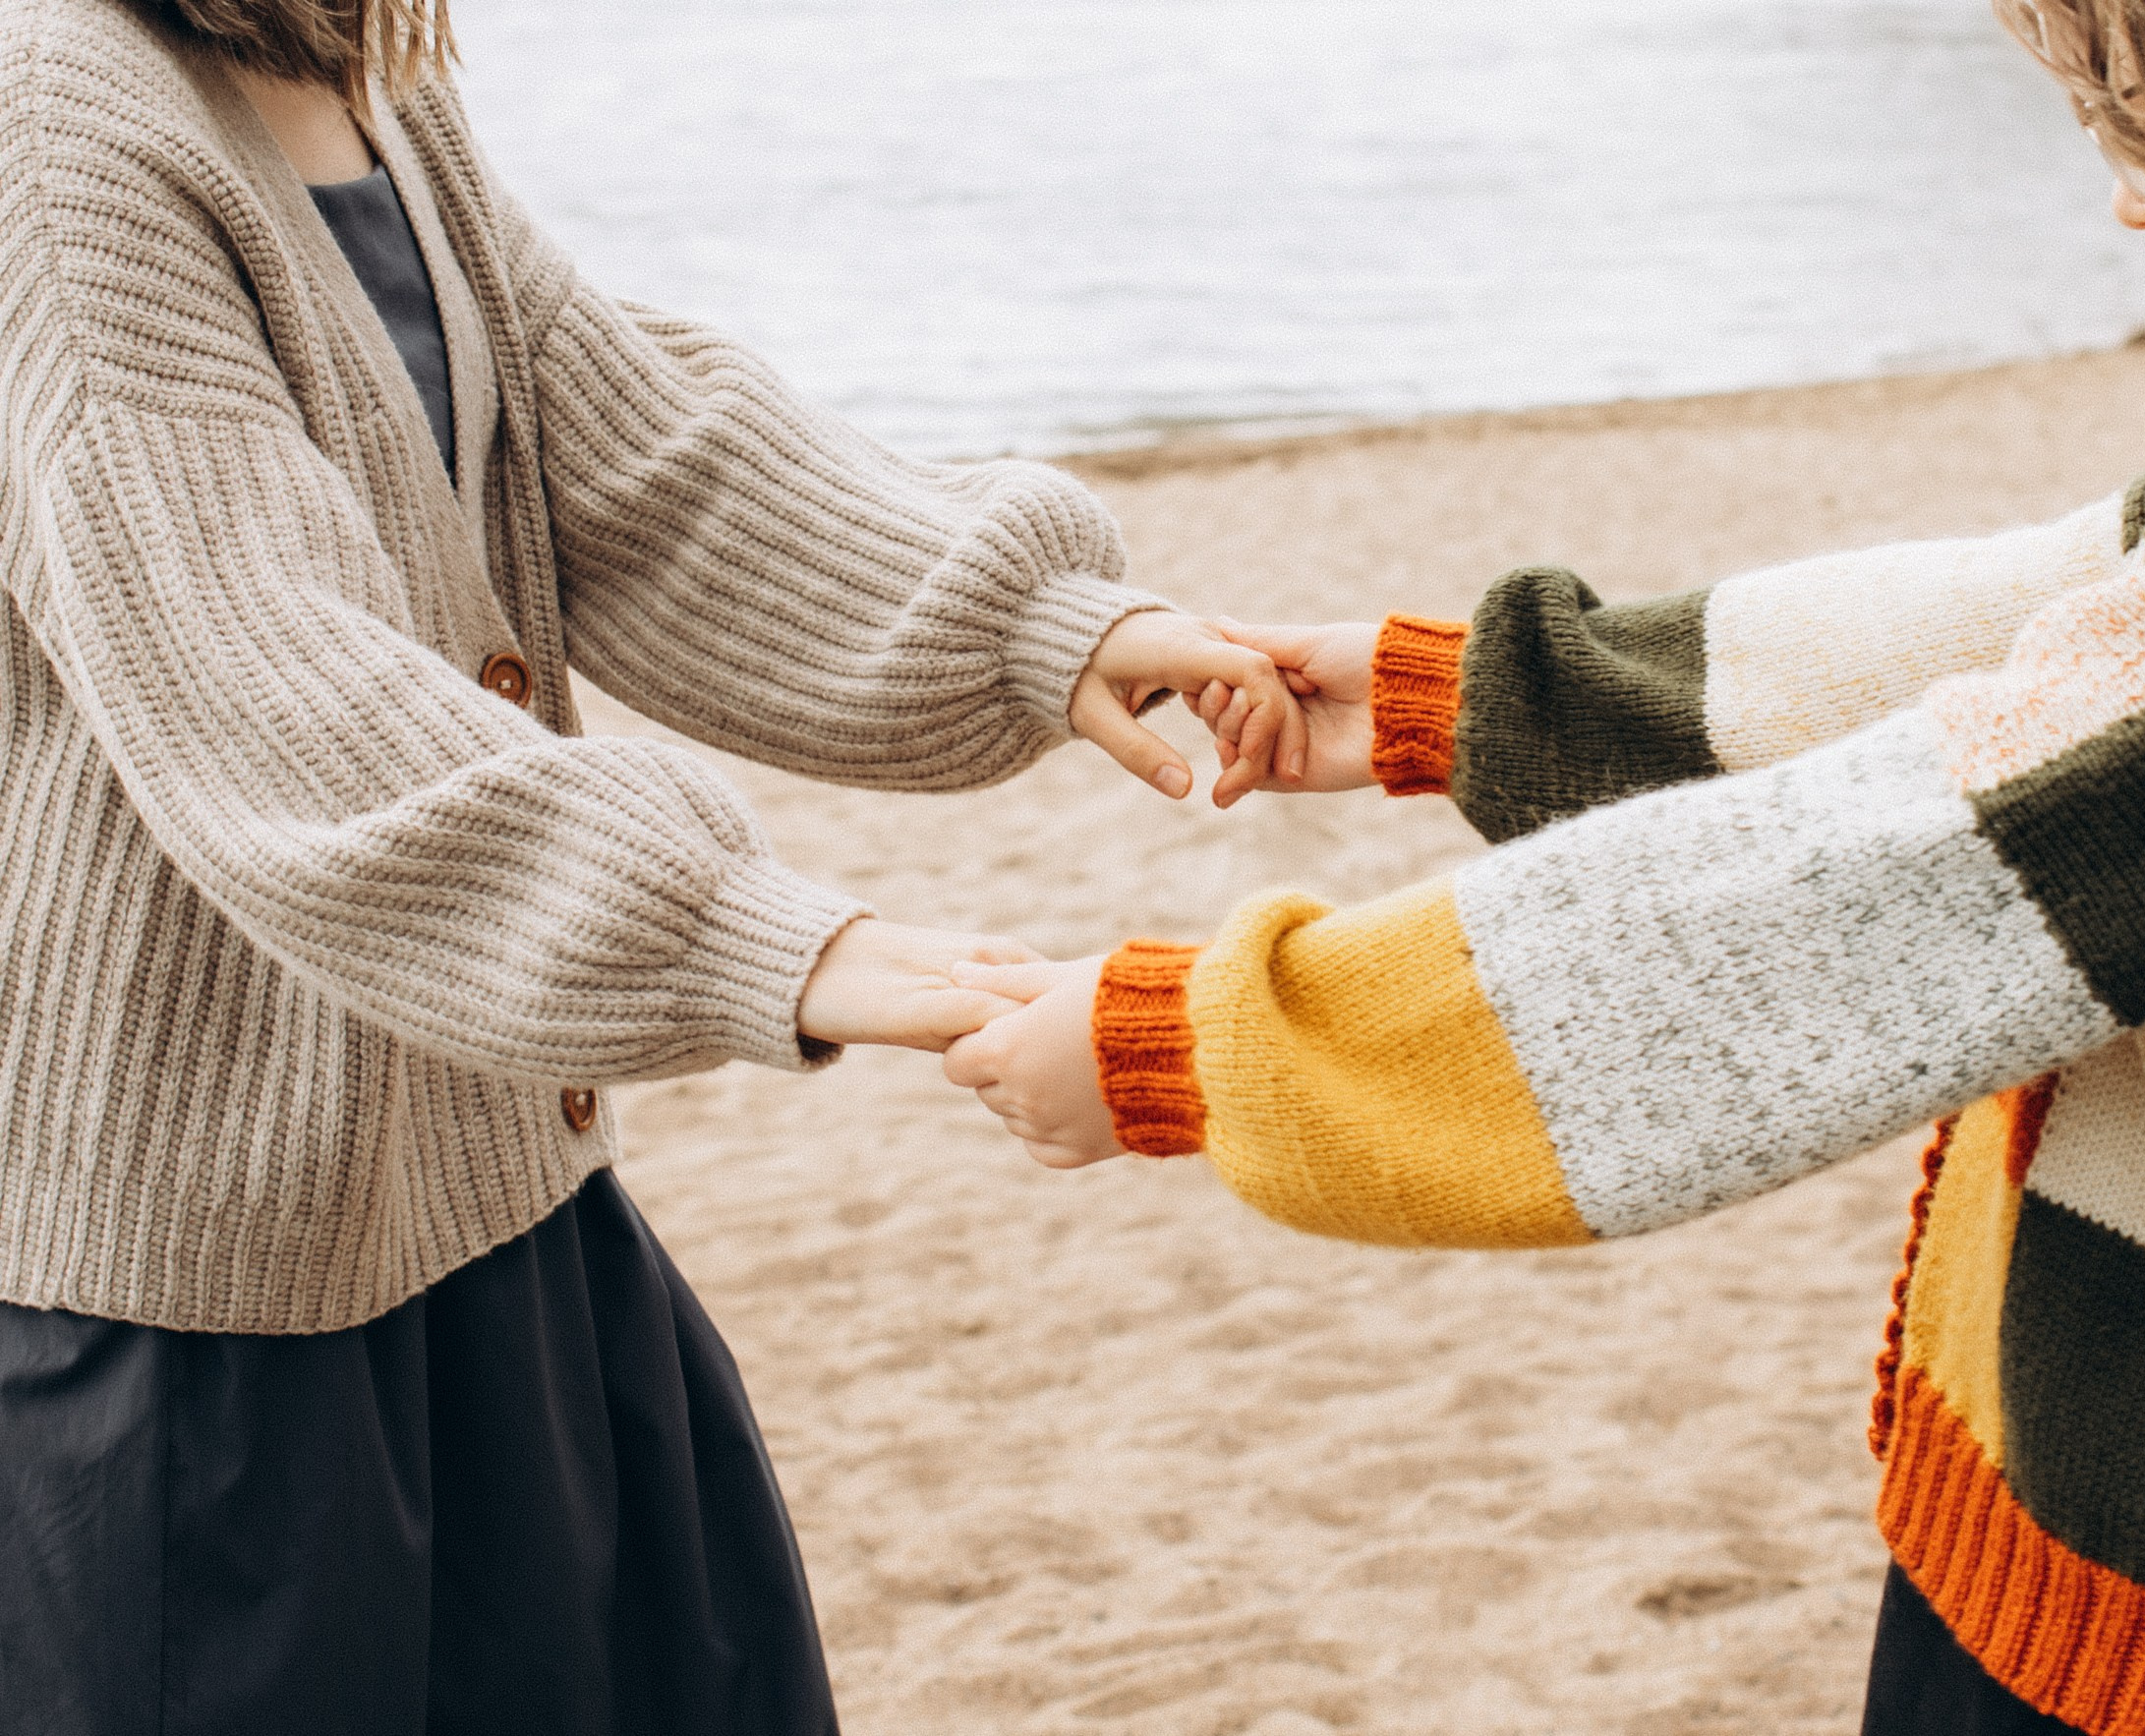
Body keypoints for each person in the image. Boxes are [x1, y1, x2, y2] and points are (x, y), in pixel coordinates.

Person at [946, 2, 2145, 1729]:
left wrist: (1190, 1053)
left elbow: (1817, 916)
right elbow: (2023, 626)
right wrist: (1469, 701)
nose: (2128, 206)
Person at [0, 0, 1306, 1730]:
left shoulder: (355, 70)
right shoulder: (51, 123)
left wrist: (1040, 630)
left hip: (498, 1188)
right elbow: (260, 666)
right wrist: (744, 934)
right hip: (206, 1291)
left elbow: (632, 460)